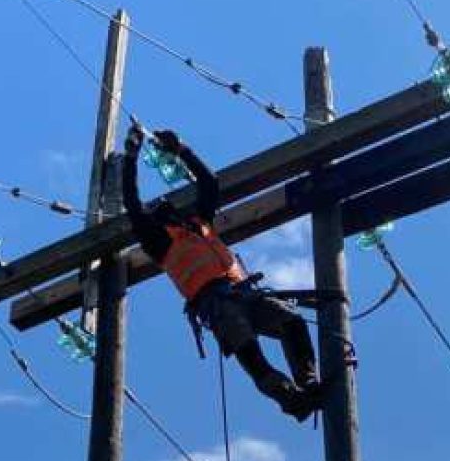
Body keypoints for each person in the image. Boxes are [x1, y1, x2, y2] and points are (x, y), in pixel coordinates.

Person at [123, 125, 322, 421]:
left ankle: (308, 382)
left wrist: (182, 149)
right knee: (251, 354)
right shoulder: (160, 241)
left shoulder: (198, 224)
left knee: (291, 322)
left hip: (244, 292)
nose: (167, 207)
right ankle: (291, 398)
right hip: (214, 304)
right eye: (162, 208)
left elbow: (209, 184)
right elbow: (133, 205)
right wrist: (131, 157)